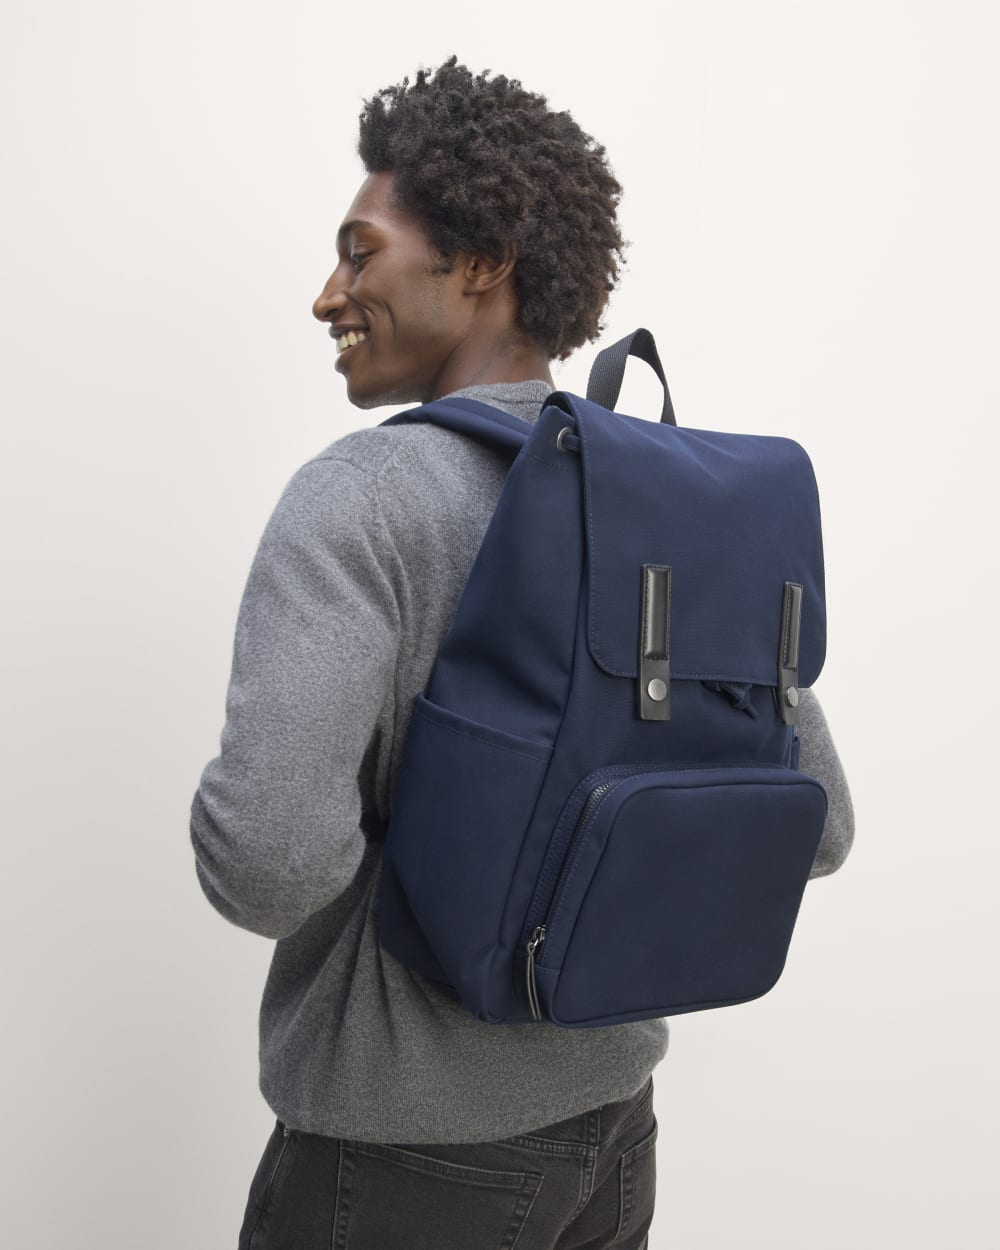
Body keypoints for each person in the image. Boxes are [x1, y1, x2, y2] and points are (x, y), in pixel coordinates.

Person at [189, 55, 855, 1250]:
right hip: (613, 1137)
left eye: (359, 252)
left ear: (483, 262)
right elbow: (822, 824)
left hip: (397, 1162)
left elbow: (268, 865)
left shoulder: (360, 499)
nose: (327, 294)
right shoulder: (672, 500)